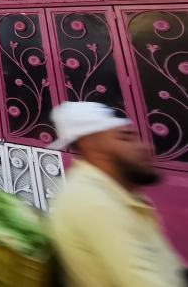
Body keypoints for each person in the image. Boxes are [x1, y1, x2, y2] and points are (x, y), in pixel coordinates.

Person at [47, 101, 186, 287]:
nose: (147, 147)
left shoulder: (116, 190)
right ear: (91, 147)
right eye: (126, 138)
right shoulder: (95, 205)